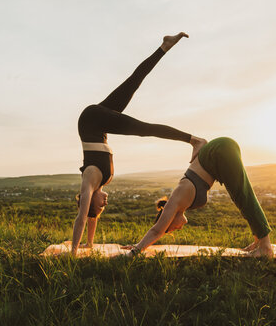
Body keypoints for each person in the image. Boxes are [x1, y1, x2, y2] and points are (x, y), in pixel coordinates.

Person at [71, 33, 206, 255]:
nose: (105, 203)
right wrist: (89, 244)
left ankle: (194, 140)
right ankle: (164, 46)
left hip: (90, 119)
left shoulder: (89, 181)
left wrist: (74, 251)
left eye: (99, 205)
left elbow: (82, 218)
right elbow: (91, 218)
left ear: (89, 200)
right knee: (134, 81)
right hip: (99, 124)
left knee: (143, 129)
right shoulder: (100, 183)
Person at [122, 137, 274, 258]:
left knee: (243, 195)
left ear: (169, 218)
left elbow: (156, 231)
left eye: (172, 228)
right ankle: (259, 241)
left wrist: (135, 251)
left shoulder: (175, 200)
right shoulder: (181, 203)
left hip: (219, 151)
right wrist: (139, 244)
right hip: (218, 153)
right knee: (240, 197)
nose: (177, 228)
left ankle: (265, 247)